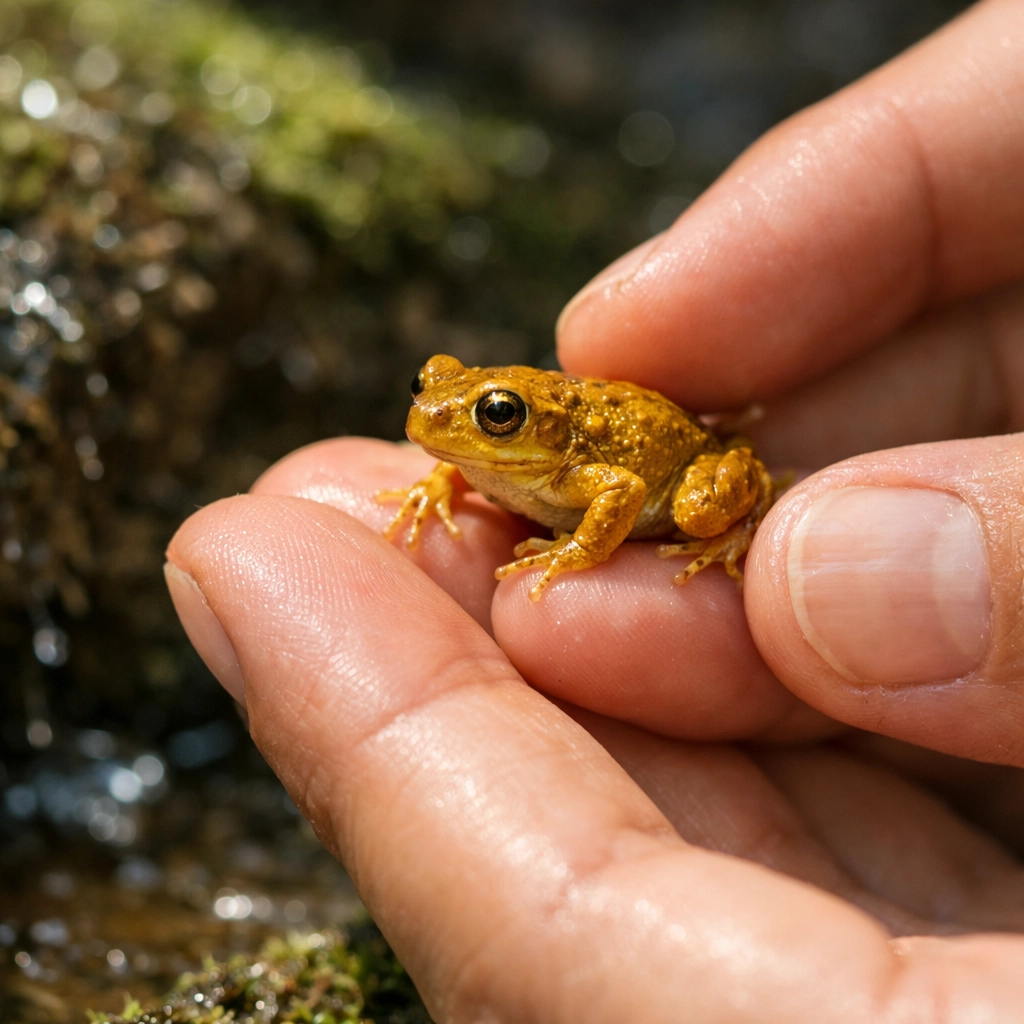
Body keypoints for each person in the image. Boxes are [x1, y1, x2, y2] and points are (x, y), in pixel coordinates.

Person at [164, 0, 1024, 1018]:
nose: (444, 420)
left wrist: (574, 553)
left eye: (486, 415)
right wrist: (447, 470)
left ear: (525, 419)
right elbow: (455, 449)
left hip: (679, 464)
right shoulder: (479, 453)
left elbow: (620, 488)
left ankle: (746, 523)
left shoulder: (579, 462)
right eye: (432, 394)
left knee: (703, 512)